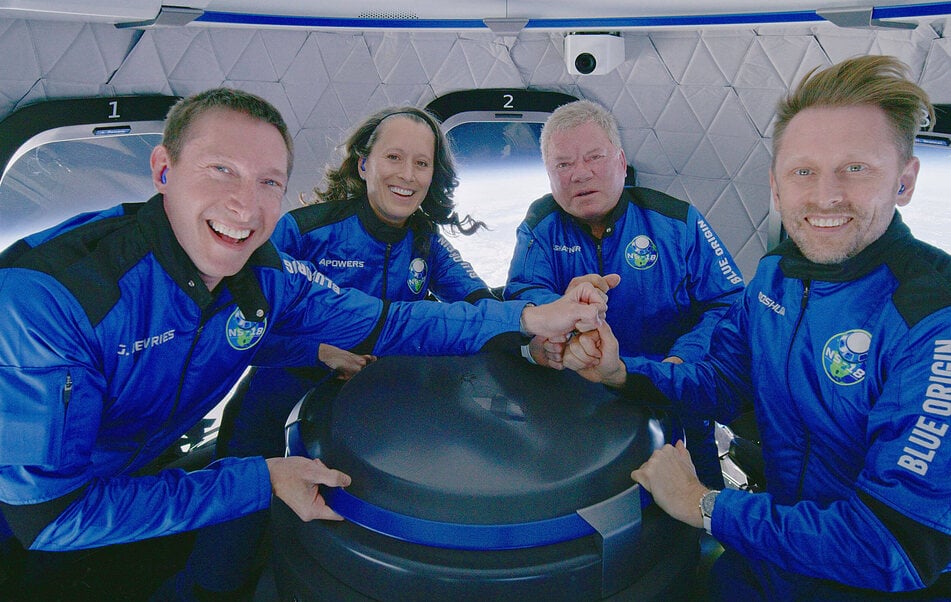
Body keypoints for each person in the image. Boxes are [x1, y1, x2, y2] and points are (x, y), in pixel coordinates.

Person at [0, 88, 608, 599]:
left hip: (144, 468)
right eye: (221, 170)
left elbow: (394, 323)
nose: (245, 204)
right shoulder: (51, 301)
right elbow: (48, 516)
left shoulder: (264, 274)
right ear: (163, 170)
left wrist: (533, 323)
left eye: (268, 181)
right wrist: (264, 465)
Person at [562, 55, 951, 598]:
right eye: (803, 171)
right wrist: (620, 372)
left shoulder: (932, 321)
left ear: (904, 182)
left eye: (856, 168)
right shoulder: (776, 277)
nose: (825, 195)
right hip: (768, 557)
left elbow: (897, 545)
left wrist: (706, 506)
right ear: (775, 184)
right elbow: (723, 382)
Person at [189, 106, 498, 597]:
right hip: (278, 399)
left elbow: (477, 296)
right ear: (363, 164)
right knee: (229, 543)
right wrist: (320, 351)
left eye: (421, 164)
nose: (407, 174)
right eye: (393, 157)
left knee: (331, 538)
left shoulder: (424, 240)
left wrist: (528, 324)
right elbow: (242, 324)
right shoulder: (306, 231)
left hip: (368, 412)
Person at [503, 99, 744, 488]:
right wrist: (564, 309)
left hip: (670, 393)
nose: (580, 174)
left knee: (692, 511)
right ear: (548, 175)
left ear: (620, 161)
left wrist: (684, 359)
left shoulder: (677, 222)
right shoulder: (540, 225)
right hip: (579, 403)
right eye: (563, 165)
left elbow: (728, 302)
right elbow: (522, 295)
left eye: (594, 157)